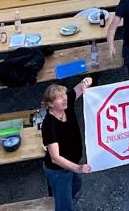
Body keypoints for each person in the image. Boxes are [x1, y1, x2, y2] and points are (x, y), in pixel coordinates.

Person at [40, 79, 93, 211]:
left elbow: (81, 87)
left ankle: (58, 195)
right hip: (59, 170)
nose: (64, 99)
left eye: (64, 95)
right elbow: (55, 158)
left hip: (70, 166)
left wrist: (87, 81)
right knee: (64, 206)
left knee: (76, 184)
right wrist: (78, 168)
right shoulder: (49, 124)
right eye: (59, 98)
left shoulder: (65, 104)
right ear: (50, 104)